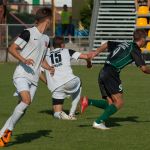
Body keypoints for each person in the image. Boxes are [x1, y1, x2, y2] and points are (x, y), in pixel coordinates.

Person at [0, 7, 54, 147]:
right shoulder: (28, 33)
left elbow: (41, 59)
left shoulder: (47, 39)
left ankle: (1, 134)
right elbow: (12, 48)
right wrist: (24, 60)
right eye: (51, 19)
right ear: (47, 19)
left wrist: (48, 67)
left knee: (22, 108)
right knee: (26, 100)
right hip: (21, 74)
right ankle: (8, 131)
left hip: (34, 79)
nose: (52, 22)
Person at [81, 29, 150, 130]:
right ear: (142, 39)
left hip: (103, 71)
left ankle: (88, 101)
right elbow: (144, 69)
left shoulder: (125, 43)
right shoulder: (134, 49)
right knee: (119, 102)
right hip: (112, 73)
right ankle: (98, 122)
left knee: (110, 103)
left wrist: (95, 53)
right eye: (146, 39)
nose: (147, 41)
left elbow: (107, 44)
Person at [40, 36, 92, 120]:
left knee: (56, 113)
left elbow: (39, 73)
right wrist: (89, 63)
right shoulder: (67, 51)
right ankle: (71, 113)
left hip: (56, 86)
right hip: (70, 81)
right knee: (79, 81)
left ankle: (62, 114)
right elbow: (86, 56)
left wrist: (47, 82)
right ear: (63, 45)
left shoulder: (46, 57)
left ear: (53, 45)